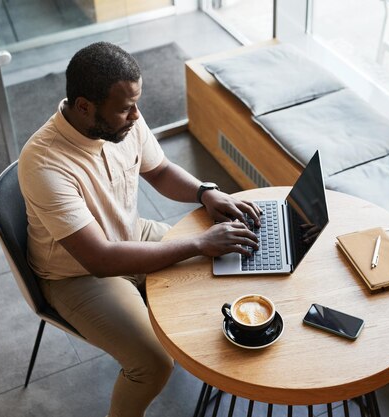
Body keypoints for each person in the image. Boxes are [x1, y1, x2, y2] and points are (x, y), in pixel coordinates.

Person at [18, 41, 261, 417]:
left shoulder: (121, 120)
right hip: (78, 273)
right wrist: (199, 242)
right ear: (84, 107)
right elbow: (99, 258)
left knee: (222, 269)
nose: (136, 116)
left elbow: (160, 171)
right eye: (126, 108)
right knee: (153, 364)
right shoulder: (45, 164)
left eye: (136, 103)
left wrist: (205, 193)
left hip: (132, 234)